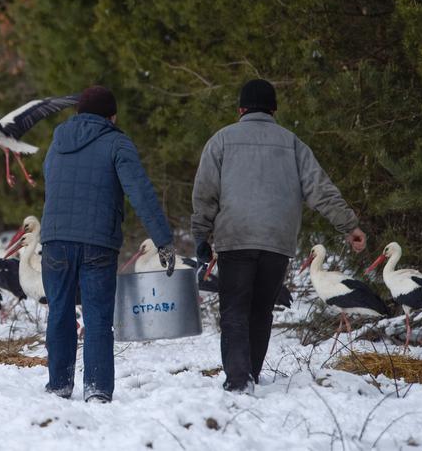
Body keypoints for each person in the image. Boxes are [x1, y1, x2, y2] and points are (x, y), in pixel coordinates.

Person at [191, 79, 367, 393]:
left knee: (234, 308)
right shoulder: (292, 143)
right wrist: (349, 225)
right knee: (260, 309)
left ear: (240, 109)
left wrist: (201, 235)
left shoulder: (220, 141)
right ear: (274, 109)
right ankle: (252, 375)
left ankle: (237, 379)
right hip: (276, 241)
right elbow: (320, 189)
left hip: (235, 237)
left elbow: (205, 193)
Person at [40, 85, 174, 403]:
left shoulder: (57, 142)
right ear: (111, 116)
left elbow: (50, 178)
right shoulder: (117, 142)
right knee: (97, 316)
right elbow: (140, 193)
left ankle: (59, 383)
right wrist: (163, 241)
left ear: (78, 113)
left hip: (56, 238)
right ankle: (97, 388)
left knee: (59, 310)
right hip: (98, 242)